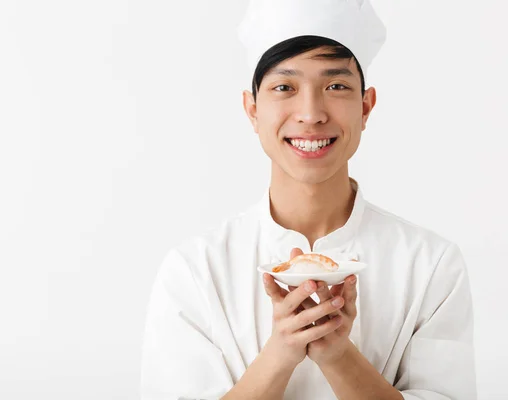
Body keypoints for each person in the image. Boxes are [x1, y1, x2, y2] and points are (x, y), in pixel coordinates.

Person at [140, 0, 477, 399]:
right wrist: (280, 354)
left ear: (365, 107)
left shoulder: (430, 264)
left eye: (336, 86)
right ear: (252, 110)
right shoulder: (196, 271)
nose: (311, 113)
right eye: (285, 87)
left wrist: (338, 356)